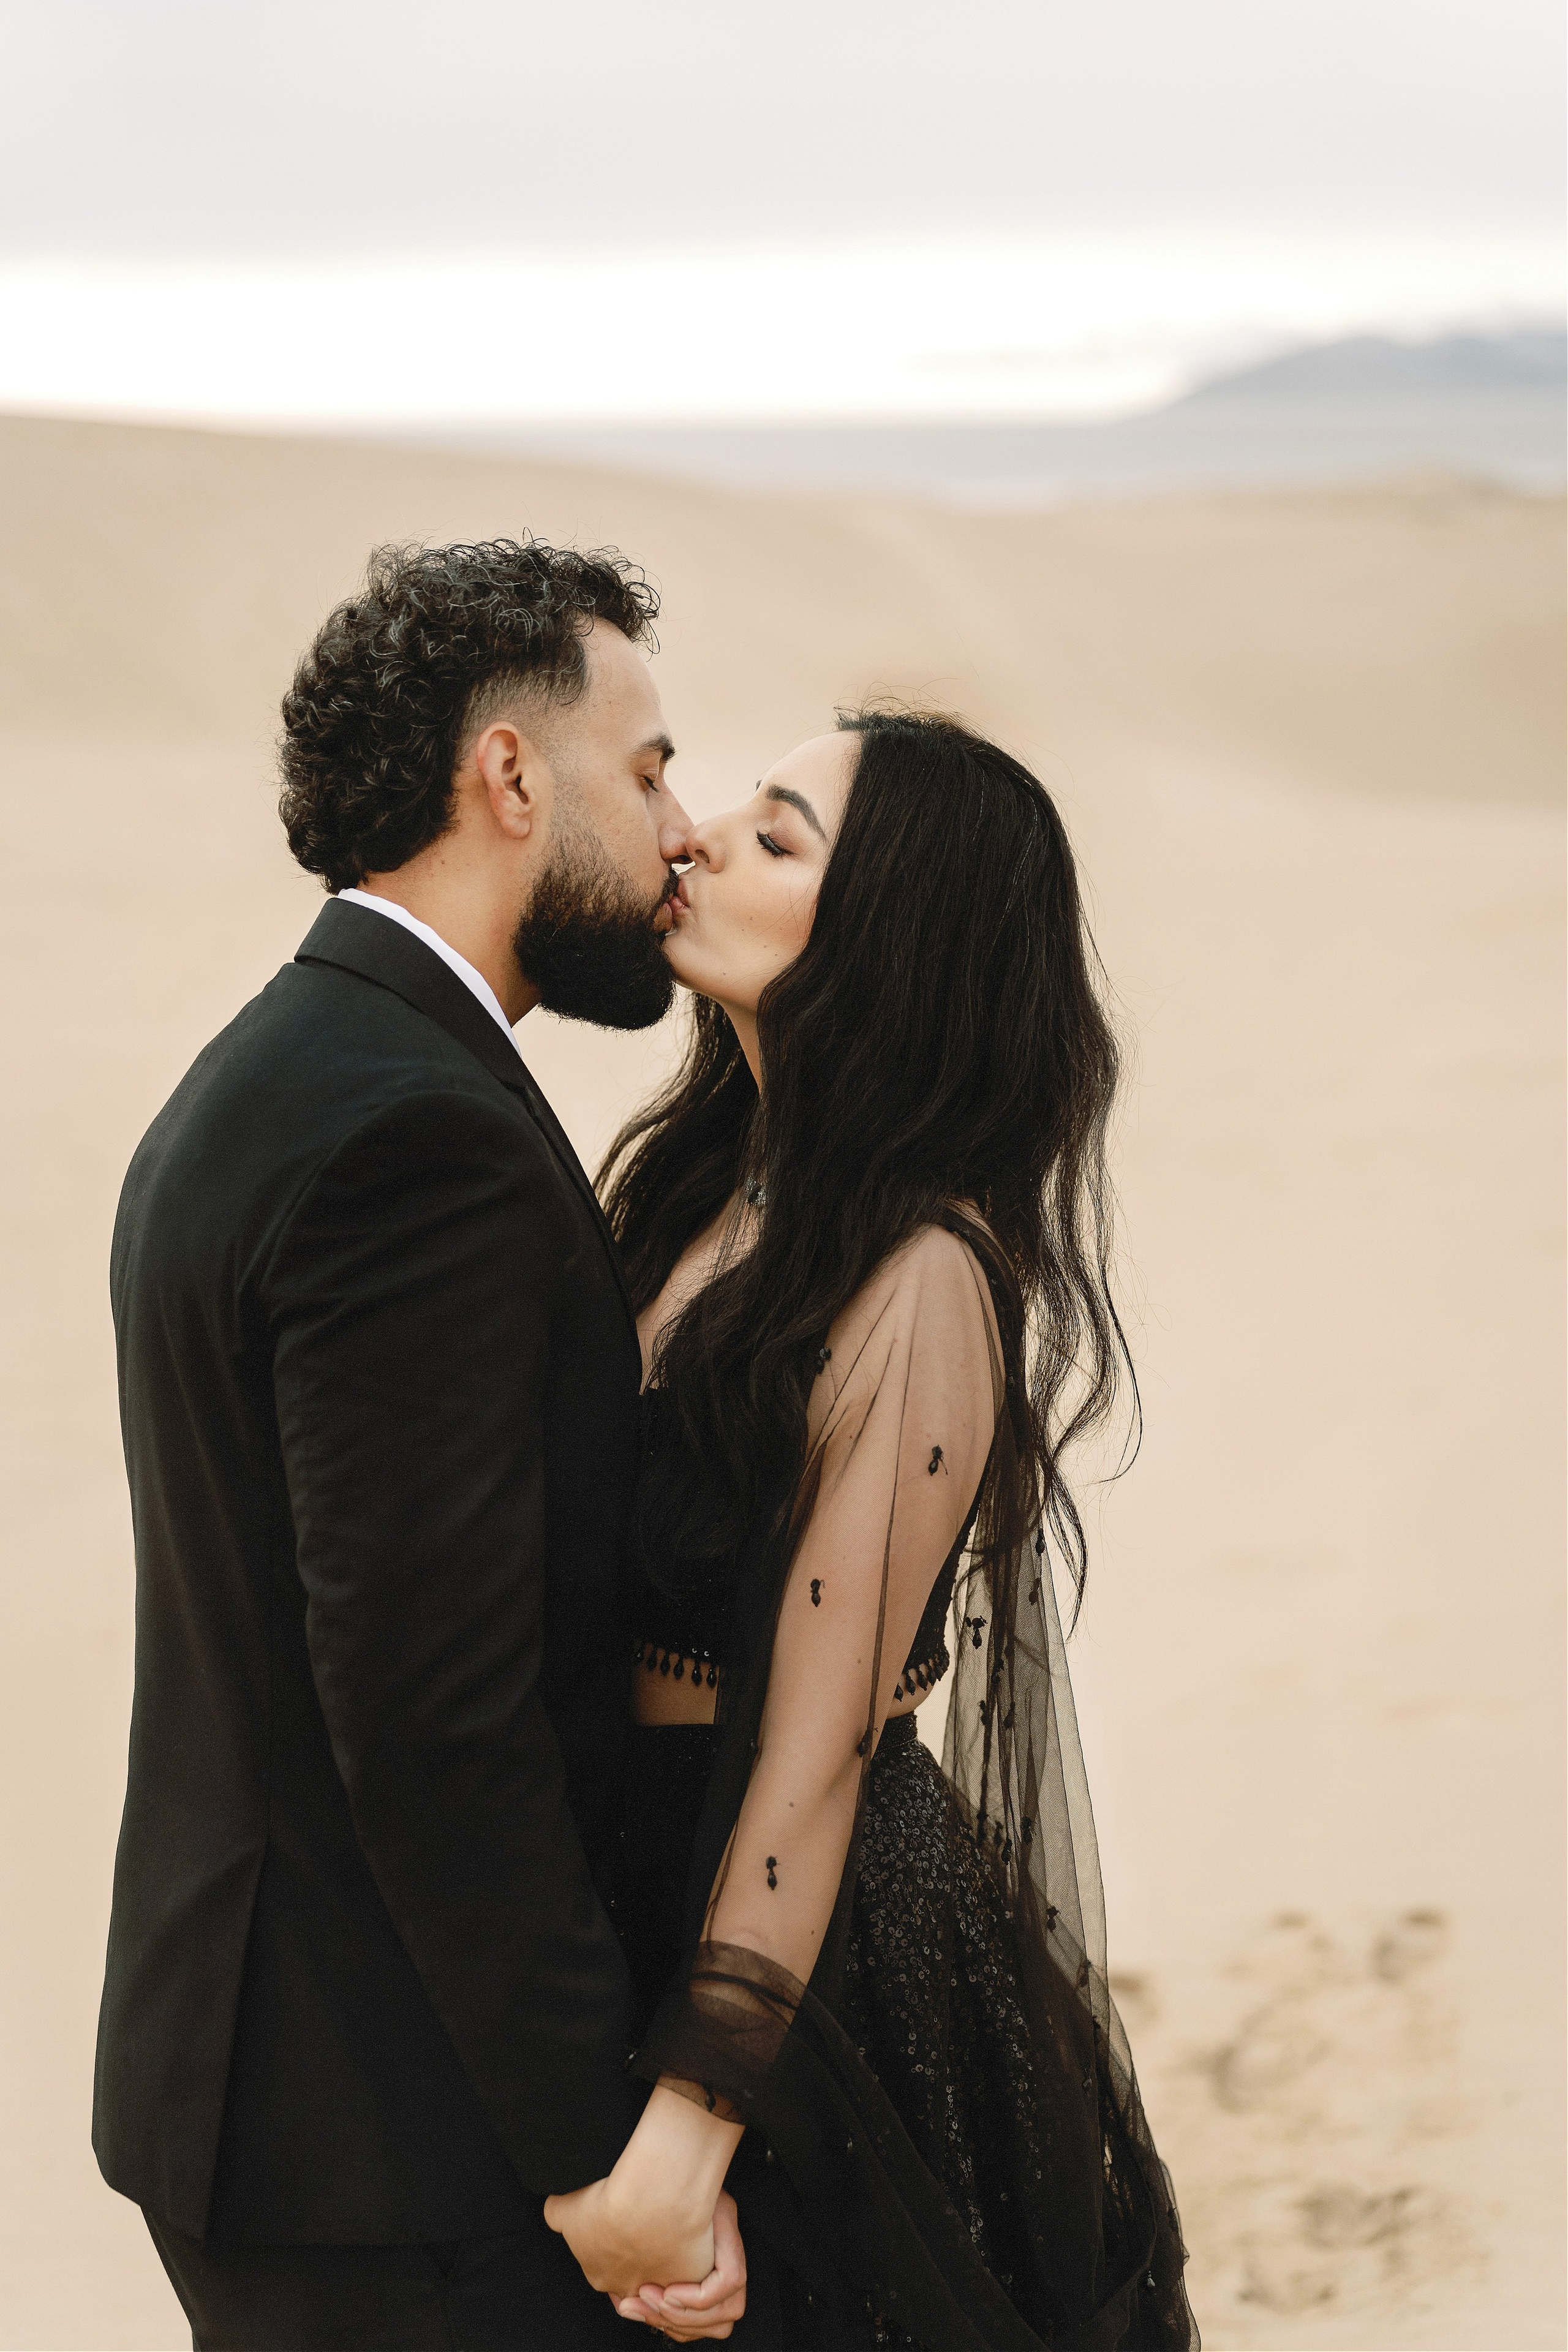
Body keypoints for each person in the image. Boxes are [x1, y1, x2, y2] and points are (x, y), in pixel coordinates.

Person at [94, 538, 747, 2349]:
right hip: (396, 2151)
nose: (681, 825)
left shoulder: (274, 1070)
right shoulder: (415, 1138)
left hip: (278, 2093)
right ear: (514, 776)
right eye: (649, 766)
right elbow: (429, 1705)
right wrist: (590, 2165)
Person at [544, 712, 1199, 2348]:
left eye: (777, 839)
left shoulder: (922, 1284)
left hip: (817, 1966)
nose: (692, 840)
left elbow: (817, 1744)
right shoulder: (710, 1183)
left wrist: (697, 2130)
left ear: (888, 944)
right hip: (644, 1872)